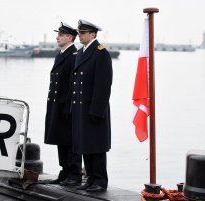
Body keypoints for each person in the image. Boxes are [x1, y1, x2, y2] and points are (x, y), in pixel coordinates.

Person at [71, 19, 113, 192]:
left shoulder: (100, 53)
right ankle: (90, 178)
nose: (79, 35)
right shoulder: (81, 53)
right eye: (79, 32)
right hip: (81, 108)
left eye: (83, 32)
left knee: (96, 145)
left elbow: (103, 85)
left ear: (93, 34)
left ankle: (100, 180)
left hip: (94, 108)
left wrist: (96, 110)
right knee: (85, 144)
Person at [44, 22, 82, 186]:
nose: (57, 37)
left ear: (69, 37)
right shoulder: (61, 54)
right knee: (60, 138)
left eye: (60, 35)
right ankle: (64, 171)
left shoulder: (74, 55)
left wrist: (69, 108)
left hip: (67, 106)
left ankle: (74, 173)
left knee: (69, 139)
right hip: (57, 104)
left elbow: (74, 84)